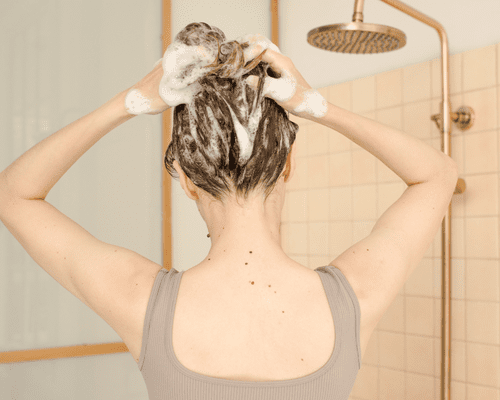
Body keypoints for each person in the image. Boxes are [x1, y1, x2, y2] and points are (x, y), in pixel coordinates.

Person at [0, 22, 457, 399]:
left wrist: (132, 102)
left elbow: (14, 194)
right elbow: (437, 174)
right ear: (288, 165)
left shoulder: (141, 300)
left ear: (186, 179)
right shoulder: (353, 297)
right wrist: (316, 105)